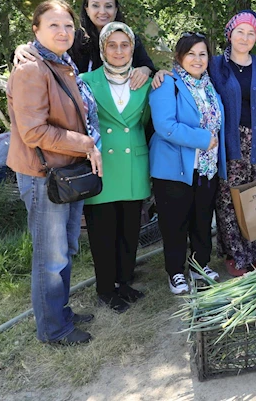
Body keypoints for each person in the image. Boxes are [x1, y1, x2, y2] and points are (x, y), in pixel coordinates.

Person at [7, 0, 103, 345]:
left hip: (66, 169)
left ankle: (60, 312)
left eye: (67, 26)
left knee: (65, 249)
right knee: (50, 256)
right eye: (53, 25)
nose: (62, 32)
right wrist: (86, 144)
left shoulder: (61, 63)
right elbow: (34, 131)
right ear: (36, 30)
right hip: (42, 174)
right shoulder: (31, 68)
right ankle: (54, 329)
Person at [210, 10, 256, 277]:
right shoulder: (215, 65)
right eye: (240, 31)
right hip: (228, 146)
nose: (245, 37)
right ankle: (236, 255)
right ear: (230, 34)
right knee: (230, 202)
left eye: (250, 33)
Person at [81, 22, 151, 312]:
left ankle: (124, 283)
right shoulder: (86, 80)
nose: (119, 51)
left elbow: (147, 120)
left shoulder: (146, 80)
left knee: (129, 230)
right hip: (102, 165)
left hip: (134, 163)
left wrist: (151, 71)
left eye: (125, 45)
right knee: (103, 232)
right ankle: (105, 289)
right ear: (103, 49)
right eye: (112, 45)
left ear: (133, 49)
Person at [150, 32, 226, 293]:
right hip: (174, 168)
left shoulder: (209, 86)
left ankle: (200, 265)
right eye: (191, 53)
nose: (197, 59)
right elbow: (164, 125)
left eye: (202, 54)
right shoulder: (167, 84)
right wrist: (203, 139)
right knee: (174, 222)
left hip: (207, 167)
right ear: (179, 57)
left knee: (202, 219)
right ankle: (175, 272)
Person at [14, 0, 164, 90]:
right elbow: (47, 53)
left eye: (108, 6)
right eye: (95, 5)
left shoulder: (128, 38)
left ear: (116, 9)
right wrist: (22, 49)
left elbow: (148, 67)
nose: (102, 11)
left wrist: (145, 70)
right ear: (86, 8)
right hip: (82, 110)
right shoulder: (74, 37)